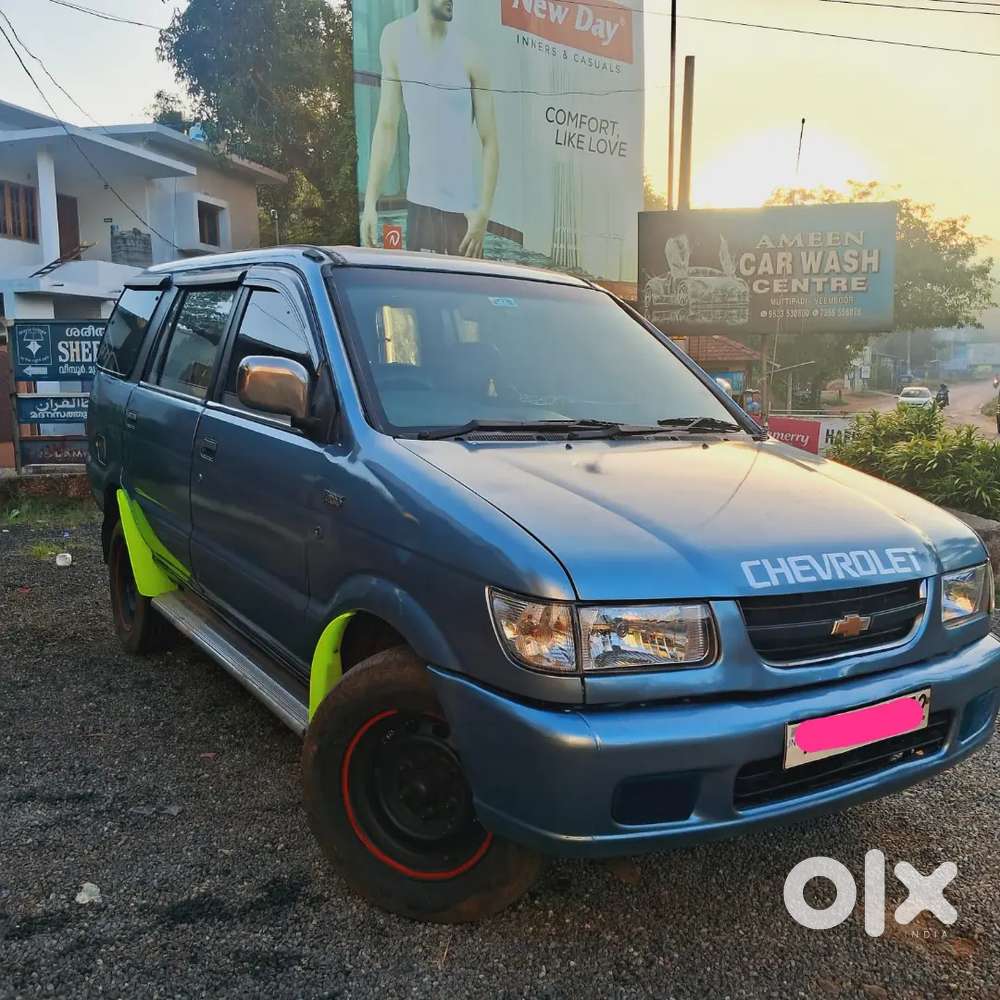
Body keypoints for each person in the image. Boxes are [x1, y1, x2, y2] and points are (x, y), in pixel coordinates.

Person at [360, 0, 500, 258]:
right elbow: (387, 126)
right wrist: (370, 202)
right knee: (421, 295)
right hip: (420, 205)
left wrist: (483, 214)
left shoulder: (471, 54)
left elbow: (490, 140)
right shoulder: (394, 39)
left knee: (466, 297)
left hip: (464, 213)